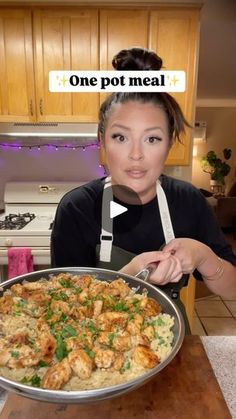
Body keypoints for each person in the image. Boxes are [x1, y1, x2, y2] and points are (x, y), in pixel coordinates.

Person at [51, 47, 236, 333]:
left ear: (169, 144)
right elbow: (65, 309)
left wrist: (203, 255)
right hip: (97, 352)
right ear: (102, 141)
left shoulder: (188, 201)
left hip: (171, 343)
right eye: (121, 137)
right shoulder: (77, 208)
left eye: (152, 139)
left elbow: (231, 287)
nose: (136, 154)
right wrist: (130, 277)